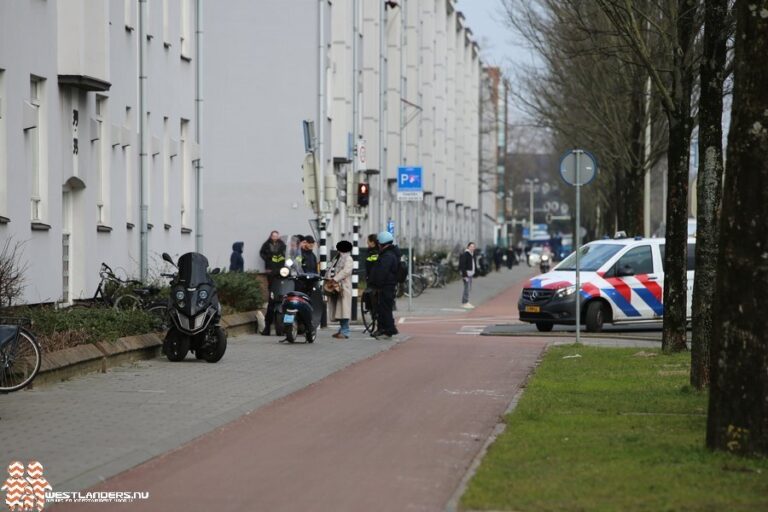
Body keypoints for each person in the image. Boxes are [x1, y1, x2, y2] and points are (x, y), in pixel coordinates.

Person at [368, 231, 400, 338]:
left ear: (381, 243)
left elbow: (382, 272)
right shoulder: (390, 253)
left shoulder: (387, 256)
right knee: (383, 308)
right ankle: (385, 329)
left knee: (384, 308)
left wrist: (377, 285)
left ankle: (389, 329)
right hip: (388, 285)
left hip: (386, 286)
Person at [259, 230, 287, 336]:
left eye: (276, 236)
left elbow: (286, 255)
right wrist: (267, 260)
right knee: (271, 301)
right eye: (273, 236)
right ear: (271, 236)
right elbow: (262, 253)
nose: (275, 237)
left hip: (281, 272)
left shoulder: (282, 245)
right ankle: (267, 327)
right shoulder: (267, 245)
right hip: (271, 272)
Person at [326, 240, 354, 339]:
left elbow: (346, 271)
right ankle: (341, 329)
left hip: (343, 287)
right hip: (336, 287)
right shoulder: (337, 258)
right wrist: (328, 278)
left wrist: (335, 279)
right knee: (340, 309)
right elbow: (330, 268)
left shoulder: (348, 259)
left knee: (344, 309)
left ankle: (345, 331)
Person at [459, 242, 477, 309]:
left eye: (473, 247)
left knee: (468, 288)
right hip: (466, 274)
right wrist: (464, 275)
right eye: (471, 246)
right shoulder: (466, 254)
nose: (472, 248)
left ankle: (465, 301)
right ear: (468, 247)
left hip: (470, 274)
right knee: (466, 288)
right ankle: (465, 302)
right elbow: (462, 265)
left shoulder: (471, 254)